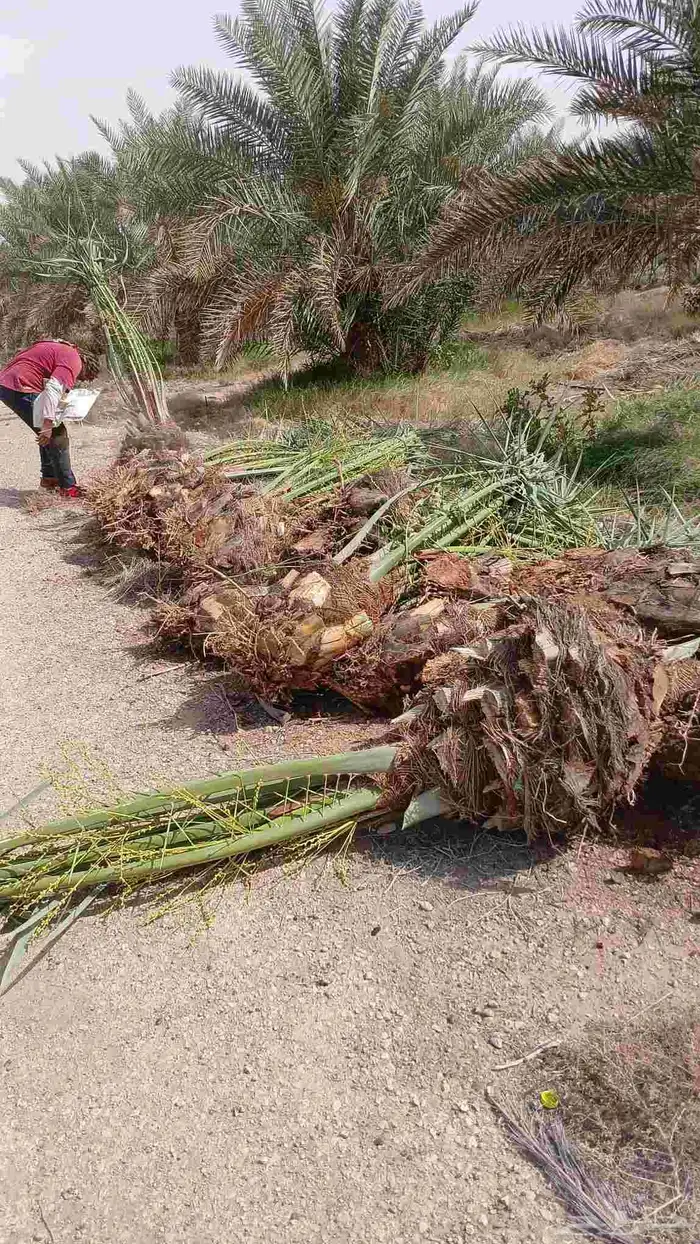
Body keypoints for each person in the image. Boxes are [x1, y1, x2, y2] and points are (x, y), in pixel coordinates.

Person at [0, 338, 100, 496]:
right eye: (82, 378)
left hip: (8, 382)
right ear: (85, 367)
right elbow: (53, 388)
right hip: (19, 384)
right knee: (57, 434)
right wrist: (47, 424)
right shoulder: (74, 360)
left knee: (49, 433)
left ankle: (49, 479)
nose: (79, 380)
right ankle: (68, 488)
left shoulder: (62, 348)